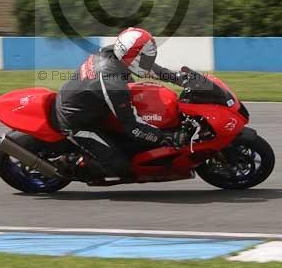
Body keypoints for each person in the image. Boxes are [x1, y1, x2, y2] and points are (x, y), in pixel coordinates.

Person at [54, 27, 186, 179]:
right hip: (77, 122)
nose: (149, 61)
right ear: (132, 57)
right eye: (145, 57)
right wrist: (163, 137)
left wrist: (178, 77)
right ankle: (72, 163)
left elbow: (149, 68)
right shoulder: (114, 84)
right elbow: (133, 127)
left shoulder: (113, 52)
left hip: (83, 101)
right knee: (121, 166)